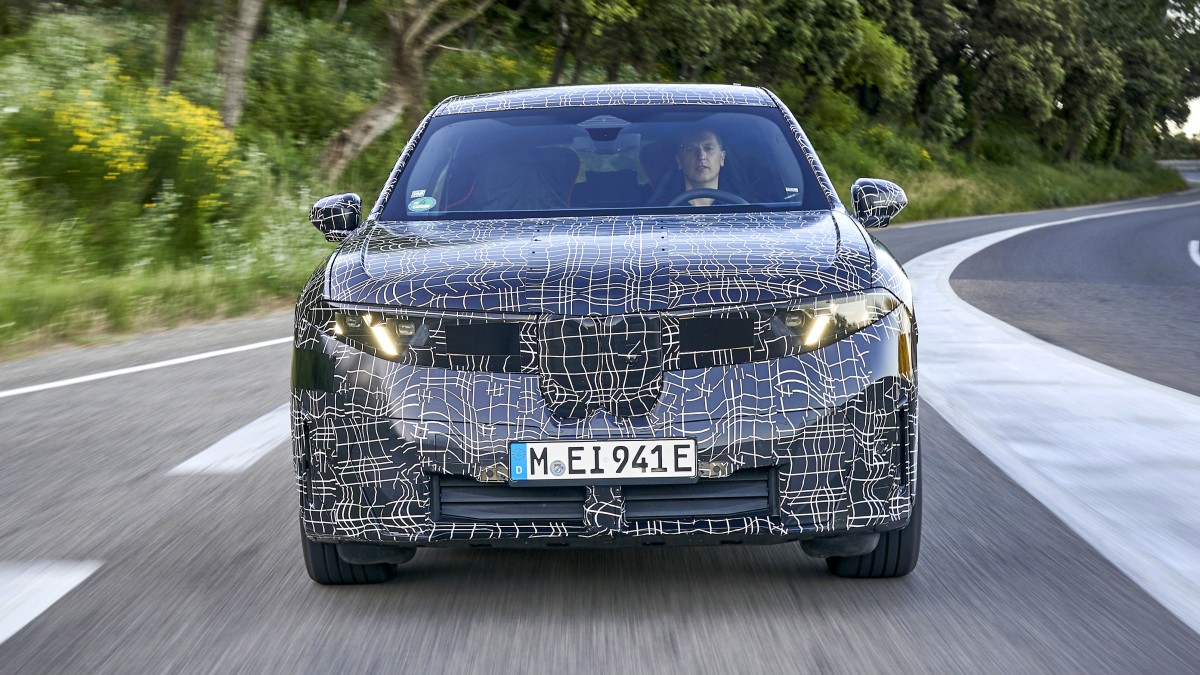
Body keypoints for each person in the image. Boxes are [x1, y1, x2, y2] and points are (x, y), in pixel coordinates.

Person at [676, 128, 727, 205]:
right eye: (691, 150)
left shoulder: (742, 207)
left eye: (708, 148)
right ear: (679, 161)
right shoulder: (661, 208)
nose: (701, 156)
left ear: (722, 158)